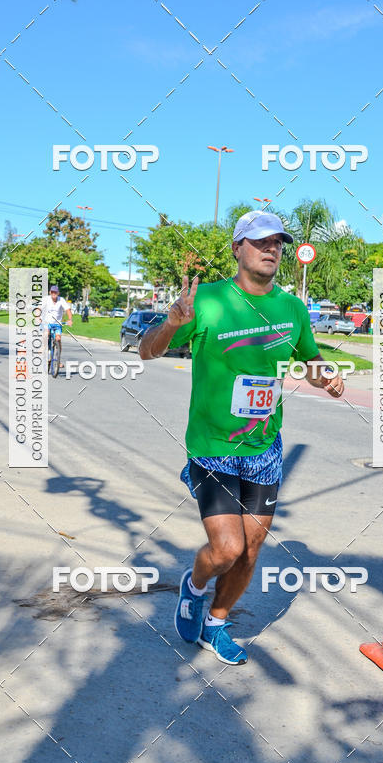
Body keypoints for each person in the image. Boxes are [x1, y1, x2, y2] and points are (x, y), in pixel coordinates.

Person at [140, 211, 345, 666]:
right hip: (213, 447)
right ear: (237, 248)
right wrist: (171, 324)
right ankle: (194, 587)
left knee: (251, 550)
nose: (271, 249)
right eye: (260, 241)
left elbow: (310, 360)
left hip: (264, 448)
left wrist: (326, 376)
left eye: (278, 243)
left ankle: (216, 622)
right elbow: (146, 351)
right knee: (227, 548)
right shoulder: (207, 300)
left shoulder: (292, 308)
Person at [42, 285, 72, 365]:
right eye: (52, 292)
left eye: (55, 292)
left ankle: (58, 359)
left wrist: (70, 319)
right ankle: (43, 351)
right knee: (46, 334)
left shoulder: (61, 300)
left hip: (57, 324)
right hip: (47, 323)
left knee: (58, 339)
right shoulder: (46, 299)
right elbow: (38, 309)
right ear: (50, 292)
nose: (53, 294)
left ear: (58, 293)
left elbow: (68, 310)